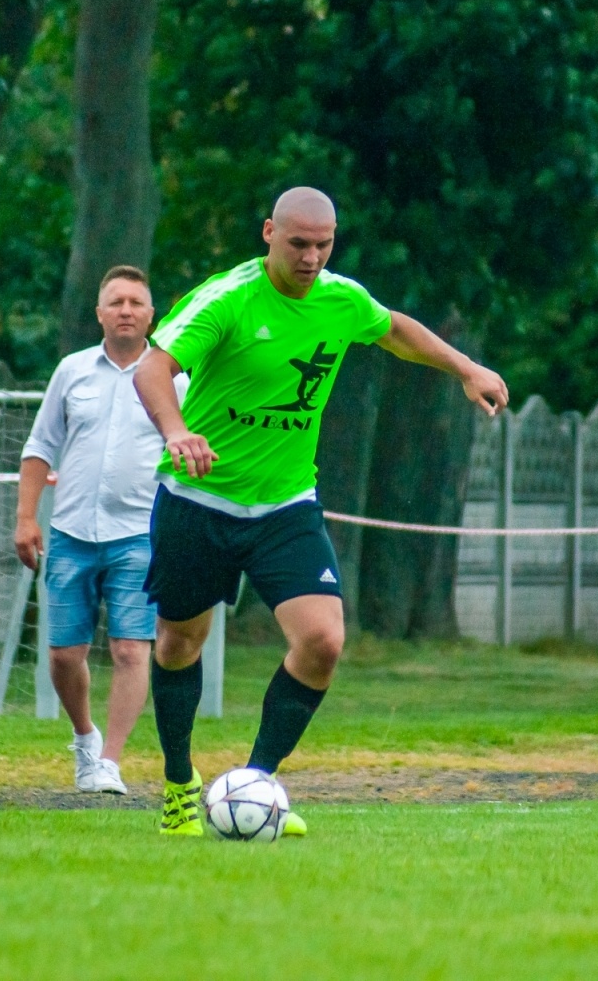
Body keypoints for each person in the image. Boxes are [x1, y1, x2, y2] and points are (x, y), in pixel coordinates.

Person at [132, 186, 509, 836]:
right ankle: (177, 785)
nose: (311, 257)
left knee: (323, 641)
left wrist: (464, 367)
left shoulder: (341, 299)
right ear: (269, 233)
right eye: (299, 243)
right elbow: (152, 369)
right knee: (177, 642)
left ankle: (254, 787)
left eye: (323, 245)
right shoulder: (228, 298)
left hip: (285, 504)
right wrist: (176, 431)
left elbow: (394, 330)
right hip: (198, 499)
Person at [15, 265, 186, 795]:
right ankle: (84, 736)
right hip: (71, 532)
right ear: (99, 313)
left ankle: (109, 761)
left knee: (132, 650)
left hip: (140, 535)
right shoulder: (72, 372)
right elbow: (41, 446)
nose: (126, 311)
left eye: (136, 302)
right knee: (65, 654)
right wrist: (25, 517)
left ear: (152, 315)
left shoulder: (177, 380)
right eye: (116, 302)